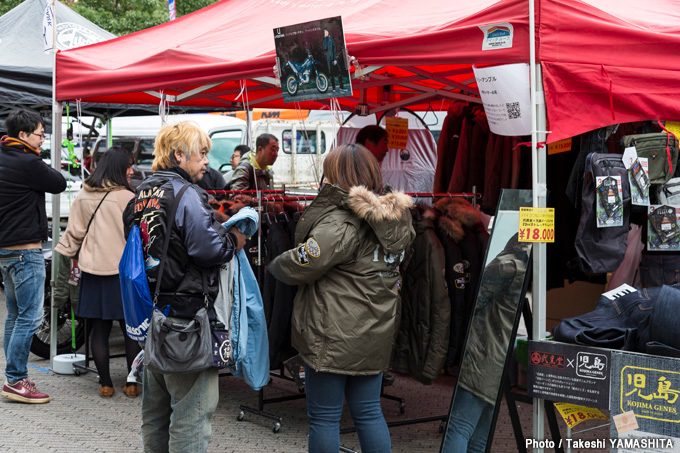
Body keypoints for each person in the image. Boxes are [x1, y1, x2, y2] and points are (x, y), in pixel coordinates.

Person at [269, 144, 415, 453]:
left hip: (332, 335)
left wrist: (274, 265)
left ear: (336, 175)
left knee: (324, 418)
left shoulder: (342, 222)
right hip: (374, 332)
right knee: (368, 413)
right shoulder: (395, 218)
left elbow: (304, 263)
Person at [123, 121, 246, 452]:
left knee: (156, 414)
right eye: (201, 153)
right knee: (192, 416)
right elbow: (208, 250)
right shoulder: (186, 194)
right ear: (179, 154)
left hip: (153, 317)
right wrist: (236, 238)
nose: (206, 161)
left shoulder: (140, 194)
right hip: (188, 320)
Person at [54, 146, 142, 399]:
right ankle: (132, 382)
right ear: (118, 168)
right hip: (123, 274)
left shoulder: (84, 195)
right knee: (130, 330)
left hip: (92, 272)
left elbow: (73, 234)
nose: (132, 170)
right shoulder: (127, 198)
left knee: (98, 330)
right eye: (128, 166)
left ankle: (105, 383)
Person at [0, 109, 66, 404]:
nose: (43, 140)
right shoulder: (28, 161)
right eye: (40, 134)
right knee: (29, 317)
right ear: (23, 135)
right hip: (26, 252)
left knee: (15, 315)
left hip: (5, 252)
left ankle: (12, 376)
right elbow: (59, 183)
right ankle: (15, 379)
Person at [322, 27, 345, 92]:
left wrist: (335, 59)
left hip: (333, 59)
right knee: (331, 74)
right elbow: (325, 48)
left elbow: (334, 49)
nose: (325, 33)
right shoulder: (324, 40)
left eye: (326, 32)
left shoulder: (331, 39)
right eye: (324, 33)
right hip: (328, 60)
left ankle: (341, 87)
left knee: (339, 72)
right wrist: (325, 38)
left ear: (328, 32)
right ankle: (334, 88)